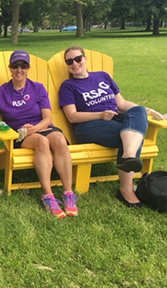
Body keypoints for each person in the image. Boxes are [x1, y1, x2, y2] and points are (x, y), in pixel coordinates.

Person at [59, 45, 164, 208]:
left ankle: (129, 156)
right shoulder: (68, 86)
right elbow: (72, 116)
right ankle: (126, 190)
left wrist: (145, 110)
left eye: (78, 59)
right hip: (88, 125)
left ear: (85, 59)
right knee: (131, 135)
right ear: (67, 64)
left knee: (136, 115)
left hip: (116, 118)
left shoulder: (103, 76)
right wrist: (99, 115)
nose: (75, 63)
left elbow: (121, 103)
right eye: (70, 61)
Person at [0, 50, 77, 219]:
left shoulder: (38, 88)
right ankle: (48, 196)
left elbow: (47, 118)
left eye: (23, 66)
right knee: (41, 142)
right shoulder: (2, 92)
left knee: (60, 140)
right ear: (10, 68)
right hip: (21, 134)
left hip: (41, 127)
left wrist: (36, 127)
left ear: (28, 68)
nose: (19, 69)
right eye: (15, 65)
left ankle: (68, 193)